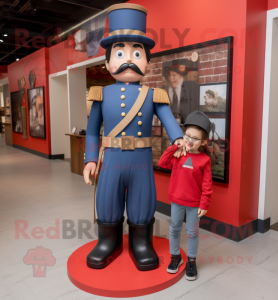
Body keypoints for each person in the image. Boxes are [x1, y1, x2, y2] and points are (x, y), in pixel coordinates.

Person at [83, 3, 186, 272]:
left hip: (140, 159)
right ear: (107, 63)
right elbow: (93, 130)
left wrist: (178, 140)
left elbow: (169, 122)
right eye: (120, 53)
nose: (129, 59)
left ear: (147, 62)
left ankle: (141, 244)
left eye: (137, 52)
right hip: (112, 159)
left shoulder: (154, 95)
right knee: (107, 200)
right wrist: (90, 159)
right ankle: (108, 242)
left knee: (143, 201)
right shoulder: (101, 94)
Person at [158, 110, 213, 280]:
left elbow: (207, 185)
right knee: (174, 228)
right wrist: (175, 146)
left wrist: (204, 204)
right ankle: (176, 257)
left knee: (192, 232)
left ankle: (191, 260)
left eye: (195, 138)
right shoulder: (178, 154)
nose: (189, 141)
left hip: (194, 204)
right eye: (187, 135)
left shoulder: (204, 160)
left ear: (203, 141)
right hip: (176, 201)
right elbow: (162, 162)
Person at [163, 59, 199, 123]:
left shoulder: (192, 88)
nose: (171, 78)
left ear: (181, 76)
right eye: (169, 75)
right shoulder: (163, 90)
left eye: (174, 75)